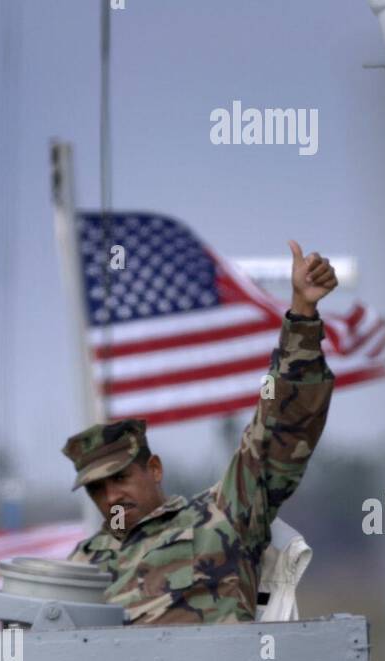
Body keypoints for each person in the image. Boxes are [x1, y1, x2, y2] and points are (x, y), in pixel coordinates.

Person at [65, 241, 337, 624]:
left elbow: (279, 433)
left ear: (154, 469)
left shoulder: (221, 518)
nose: (111, 496)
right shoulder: (81, 568)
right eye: (97, 488)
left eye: (120, 478)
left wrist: (303, 315)